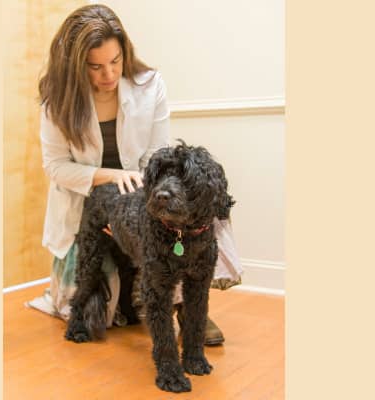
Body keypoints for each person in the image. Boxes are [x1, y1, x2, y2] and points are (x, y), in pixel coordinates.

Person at [27, 4, 243, 345]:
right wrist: (109, 179)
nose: (109, 75)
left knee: (201, 211)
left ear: (124, 51)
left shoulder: (150, 84)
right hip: (88, 200)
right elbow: (55, 166)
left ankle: (189, 304)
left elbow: (155, 155)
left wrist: (135, 205)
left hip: (139, 191)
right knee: (107, 313)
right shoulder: (57, 102)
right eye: (95, 67)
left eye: (115, 61)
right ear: (73, 66)